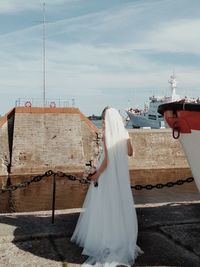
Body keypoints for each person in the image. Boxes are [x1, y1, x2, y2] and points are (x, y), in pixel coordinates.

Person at [71, 107, 143, 266]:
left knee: (104, 205)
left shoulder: (106, 136)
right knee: (118, 205)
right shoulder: (124, 134)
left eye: (104, 119)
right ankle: (120, 238)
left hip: (107, 175)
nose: (103, 122)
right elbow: (130, 153)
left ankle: (102, 238)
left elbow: (107, 161)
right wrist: (128, 138)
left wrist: (96, 174)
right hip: (120, 178)